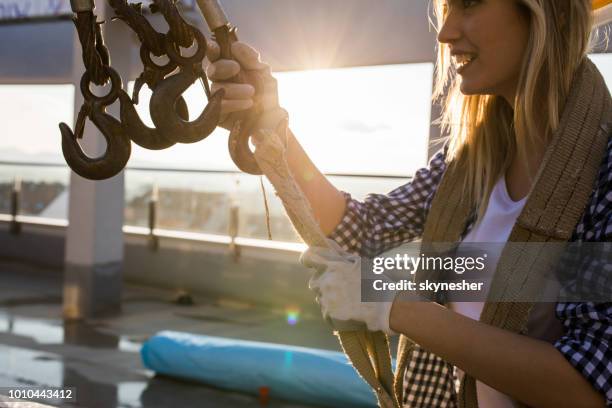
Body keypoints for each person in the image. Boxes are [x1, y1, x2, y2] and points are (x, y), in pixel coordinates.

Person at [206, 0, 611, 406]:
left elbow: (588, 387)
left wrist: (396, 308)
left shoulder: (605, 170)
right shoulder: (469, 164)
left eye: (468, 4)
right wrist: (269, 121)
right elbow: (361, 233)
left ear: (550, 13)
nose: (445, 33)